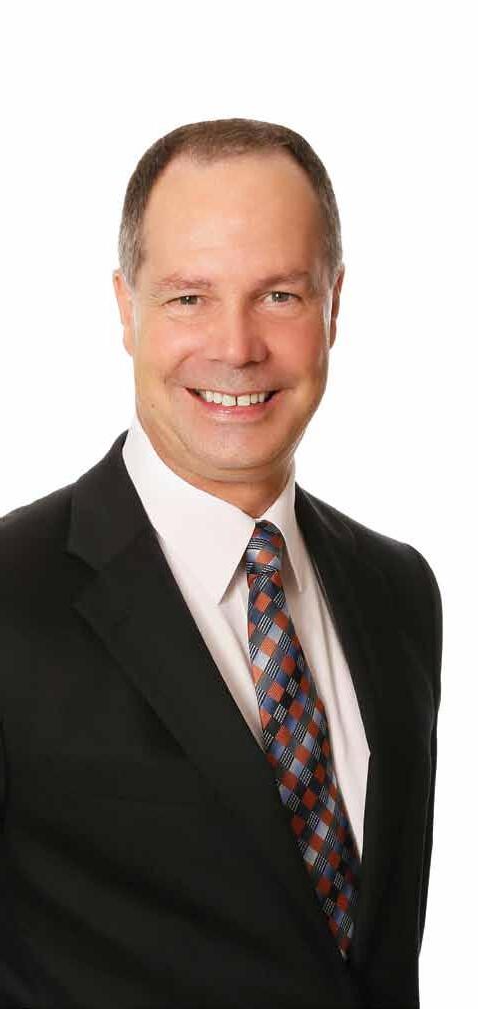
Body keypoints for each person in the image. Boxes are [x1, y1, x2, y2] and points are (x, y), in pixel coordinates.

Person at [0, 117, 442, 1009]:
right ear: (125, 308)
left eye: (278, 294)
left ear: (334, 305)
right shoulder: (11, 596)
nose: (236, 347)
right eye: (189, 298)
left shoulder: (399, 592)